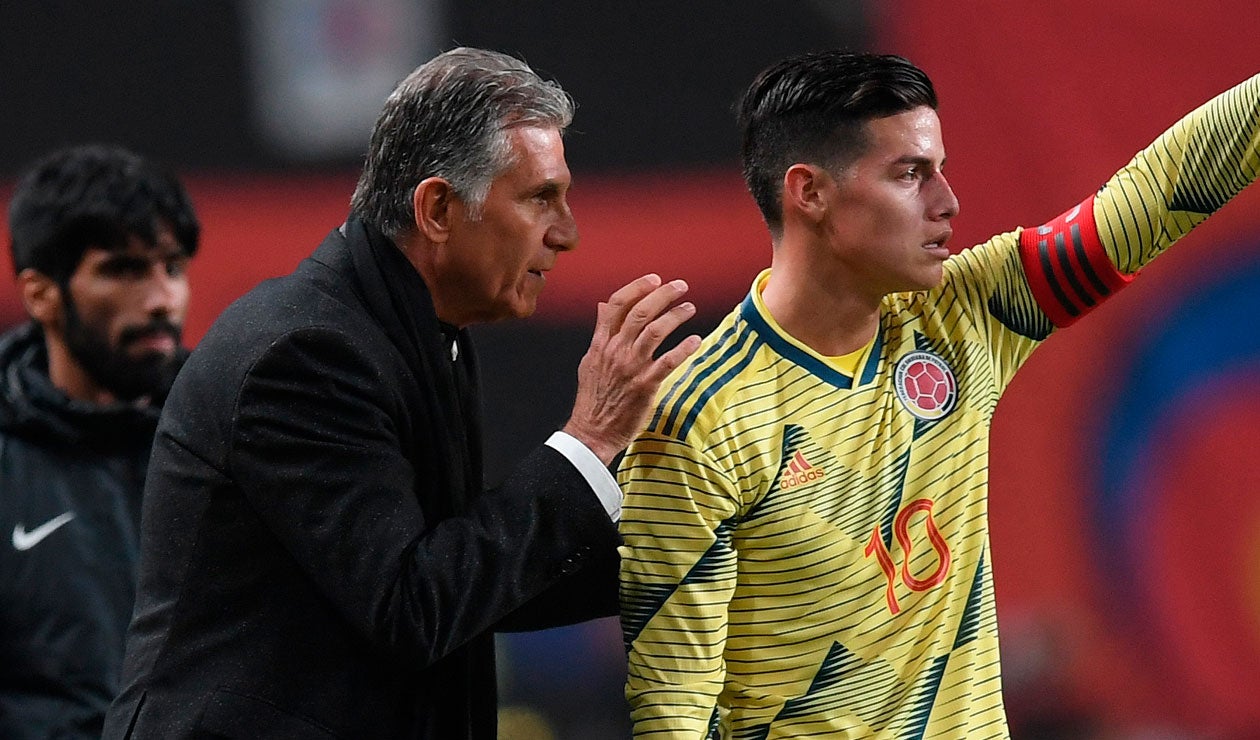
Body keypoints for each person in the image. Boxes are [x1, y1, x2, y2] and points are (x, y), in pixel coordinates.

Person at [617, 51, 1260, 737]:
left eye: (941, 169)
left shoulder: (966, 317)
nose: (947, 202)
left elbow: (1154, 197)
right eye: (910, 174)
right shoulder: (697, 418)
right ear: (810, 193)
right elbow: (672, 706)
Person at [102, 47, 701, 739]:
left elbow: (470, 580)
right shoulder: (306, 355)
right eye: (541, 198)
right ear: (439, 208)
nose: (566, 234)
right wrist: (591, 437)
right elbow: (415, 606)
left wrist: (697, 541)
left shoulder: (413, 331)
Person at [0, 144, 199, 738]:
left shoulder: (240, 437)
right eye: (124, 269)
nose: (163, 299)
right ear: (42, 294)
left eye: (173, 266)